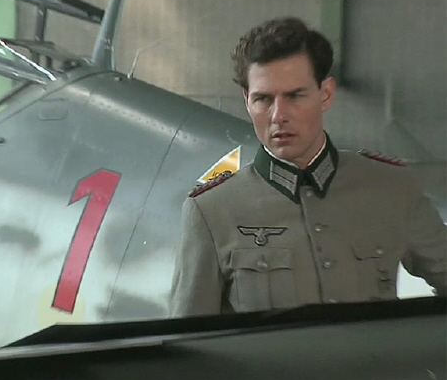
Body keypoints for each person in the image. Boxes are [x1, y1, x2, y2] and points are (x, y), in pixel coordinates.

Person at [169, 17, 446, 317]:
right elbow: (187, 338)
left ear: (325, 94)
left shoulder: (391, 188)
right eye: (263, 99)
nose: (278, 115)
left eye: (295, 96)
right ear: (247, 100)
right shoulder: (212, 212)